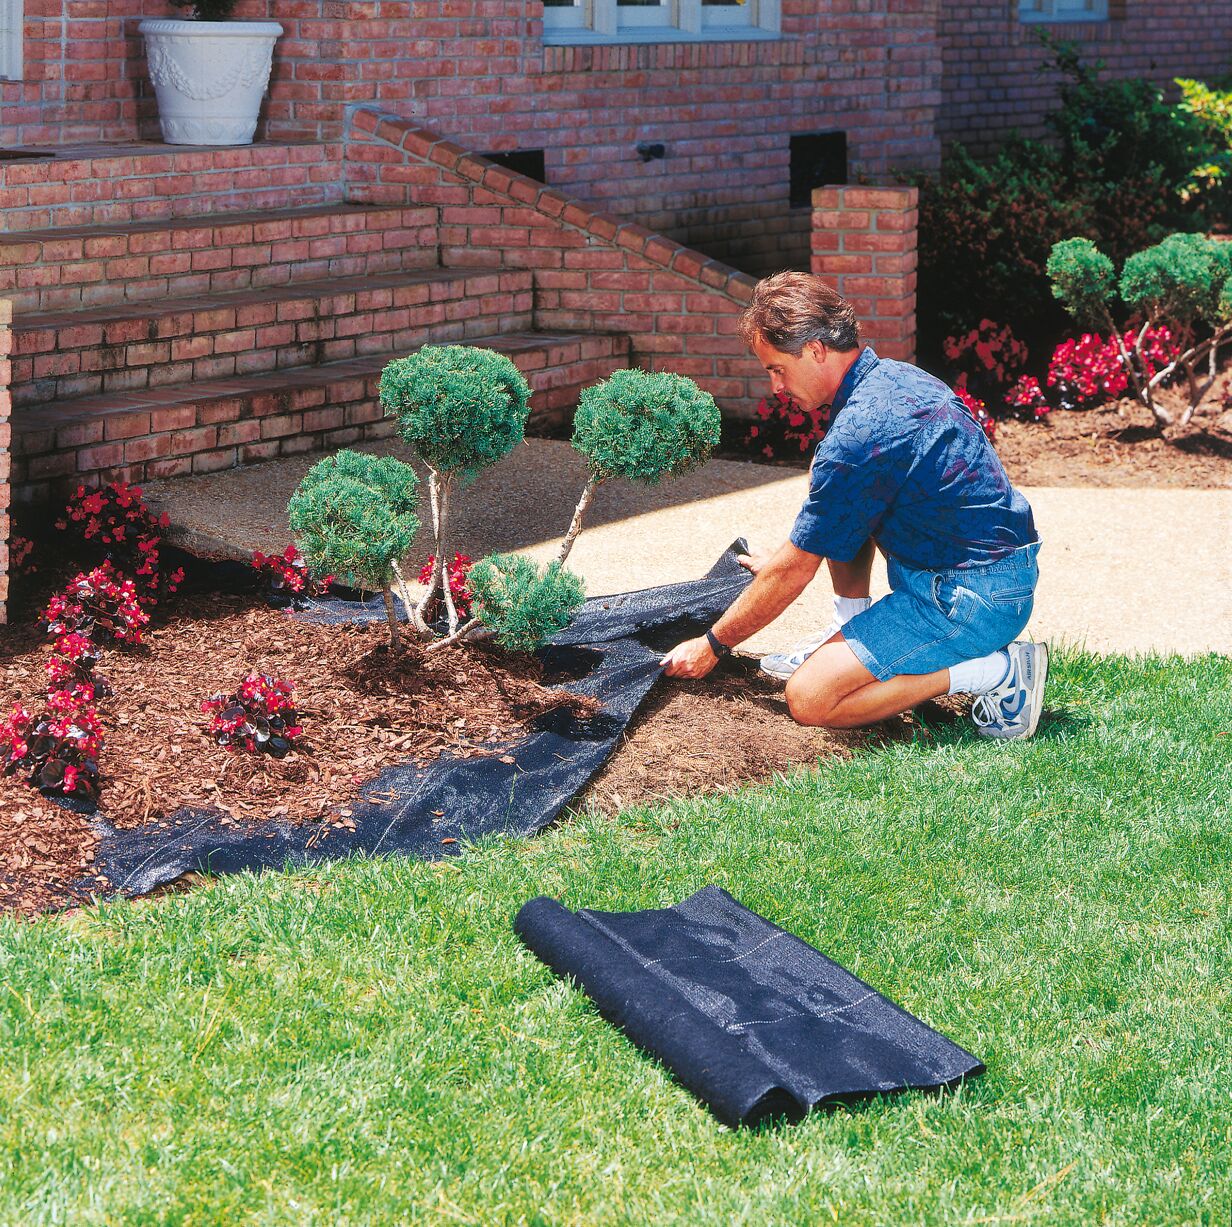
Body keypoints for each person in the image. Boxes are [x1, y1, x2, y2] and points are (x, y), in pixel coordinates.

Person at [660, 271, 1047, 740]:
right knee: (838, 495)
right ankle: (847, 626)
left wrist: (713, 644)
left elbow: (796, 570)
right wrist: (787, 559)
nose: (776, 386)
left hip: (965, 600)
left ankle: (997, 672)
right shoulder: (896, 381)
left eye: (777, 368)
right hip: (985, 579)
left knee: (811, 698)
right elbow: (835, 519)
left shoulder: (862, 431)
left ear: (816, 351)